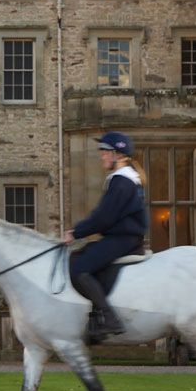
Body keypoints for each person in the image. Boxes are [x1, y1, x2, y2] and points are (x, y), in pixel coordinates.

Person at [61, 131, 149, 341]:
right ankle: (94, 316)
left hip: (123, 239)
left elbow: (104, 217)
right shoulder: (125, 180)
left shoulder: (121, 181)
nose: (101, 156)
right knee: (80, 257)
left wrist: (76, 232)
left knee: (78, 268)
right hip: (122, 237)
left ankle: (109, 318)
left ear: (118, 154)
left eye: (104, 152)